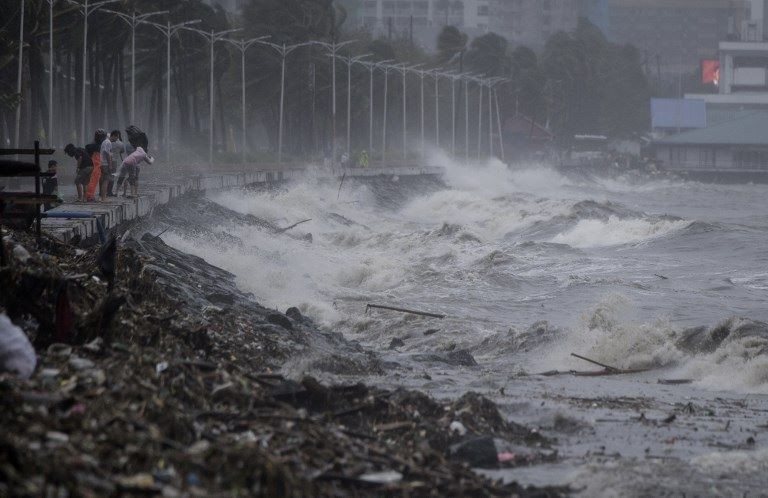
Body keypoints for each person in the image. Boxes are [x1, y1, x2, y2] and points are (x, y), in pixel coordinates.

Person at [85, 129, 107, 202]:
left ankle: (88, 195)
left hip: (92, 165)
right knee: (93, 180)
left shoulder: (92, 145)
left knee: (91, 180)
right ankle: (89, 196)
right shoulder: (98, 146)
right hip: (95, 165)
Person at [99, 130, 119, 202]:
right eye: (117, 137)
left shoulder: (105, 141)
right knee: (106, 181)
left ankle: (101, 197)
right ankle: (103, 198)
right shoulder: (108, 142)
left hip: (102, 163)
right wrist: (110, 165)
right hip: (105, 164)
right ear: (114, 136)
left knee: (103, 180)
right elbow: (108, 154)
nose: (117, 139)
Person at [107, 130, 125, 196]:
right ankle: (109, 192)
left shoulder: (107, 141)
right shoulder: (120, 144)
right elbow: (122, 151)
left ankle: (103, 191)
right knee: (112, 176)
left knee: (105, 175)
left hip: (106, 161)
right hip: (114, 161)